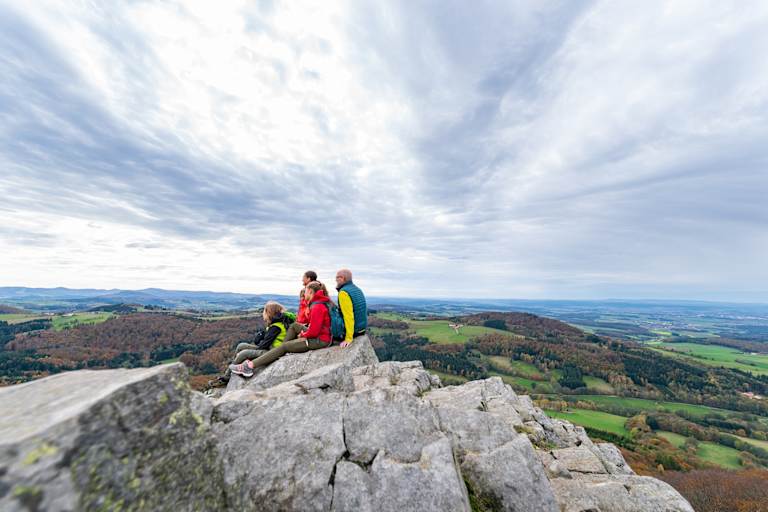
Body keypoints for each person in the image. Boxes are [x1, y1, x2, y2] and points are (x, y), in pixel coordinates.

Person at [230, 281, 332, 377]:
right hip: (322, 335)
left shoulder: (317, 306)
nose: (304, 295)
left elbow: (314, 332)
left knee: (285, 347)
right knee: (294, 326)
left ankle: (249, 366)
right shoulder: (320, 302)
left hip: (321, 340)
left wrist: (303, 335)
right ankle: (283, 349)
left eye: (305, 292)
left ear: (310, 291)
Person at [208, 301, 294, 387]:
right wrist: (261, 336)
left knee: (243, 353)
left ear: (269, 313)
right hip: (270, 348)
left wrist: (258, 340)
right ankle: (231, 371)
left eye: (264, 312)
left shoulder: (276, 327)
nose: (263, 314)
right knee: (241, 346)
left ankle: (226, 378)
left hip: (272, 352)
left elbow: (263, 345)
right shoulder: (275, 325)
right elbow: (262, 342)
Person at [335, 268, 367, 347]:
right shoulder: (357, 289)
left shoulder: (344, 292)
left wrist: (348, 338)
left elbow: (348, 316)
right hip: (362, 329)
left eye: (337, 278)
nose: (335, 280)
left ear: (342, 278)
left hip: (354, 332)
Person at [285, 270, 316, 341]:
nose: (302, 279)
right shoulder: (306, 290)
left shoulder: (312, 291)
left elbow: (309, 309)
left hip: (305, 324)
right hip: (302, 322)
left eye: (303, 277)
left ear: (308, 279)